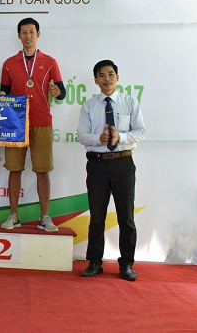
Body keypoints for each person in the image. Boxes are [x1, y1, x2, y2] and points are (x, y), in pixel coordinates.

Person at [77, 60, 145, 281]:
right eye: (101, 75)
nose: (107, 79)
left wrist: (120, 137)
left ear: (117, 77)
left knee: (126, 217)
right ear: (96, 80)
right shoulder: (89, 106)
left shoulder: (130, 102)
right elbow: (81, 136)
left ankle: (127, 264)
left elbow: (141, 131)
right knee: (97, 217)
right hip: (97, 164)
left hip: (123, 164)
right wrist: (100, 138)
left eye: (110, 74)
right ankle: (94, 262)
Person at [0, 17, 66, 232]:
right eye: (24, 32)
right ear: (18, 35)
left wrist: (57, 91)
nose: (28, 36)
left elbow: (62, 92)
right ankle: (14, 215)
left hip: (41, 121)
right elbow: (4, 91)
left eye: (31, 32)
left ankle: (44, 216)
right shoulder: (9, 63)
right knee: (14, 170)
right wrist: (2, 96)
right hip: (14, 124)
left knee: (42, 170)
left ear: (38, 34)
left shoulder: (50, 62)